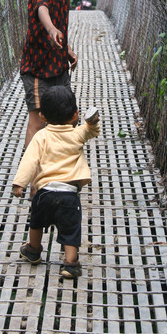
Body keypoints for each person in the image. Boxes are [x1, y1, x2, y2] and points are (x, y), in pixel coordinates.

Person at [12, 86, 100, 279]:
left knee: (36, 222)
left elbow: (29, 160)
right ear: (75, 115)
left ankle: (33, 250)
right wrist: (92, 121)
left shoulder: (40, 136)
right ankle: (70, 263)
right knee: (71, 229)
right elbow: (91, 131)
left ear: (42, 117)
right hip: (69, 194)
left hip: (44, 193)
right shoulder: (77, 133)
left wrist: (20, 183)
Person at [20, 0, 78, 155]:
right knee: (37, 123)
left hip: (58, 66)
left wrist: (68, 49)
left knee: (69, 117)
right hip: (37, 69)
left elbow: (61, 24)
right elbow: (43, 8)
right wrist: (51, 28)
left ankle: (62, 166)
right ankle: (31, 176)